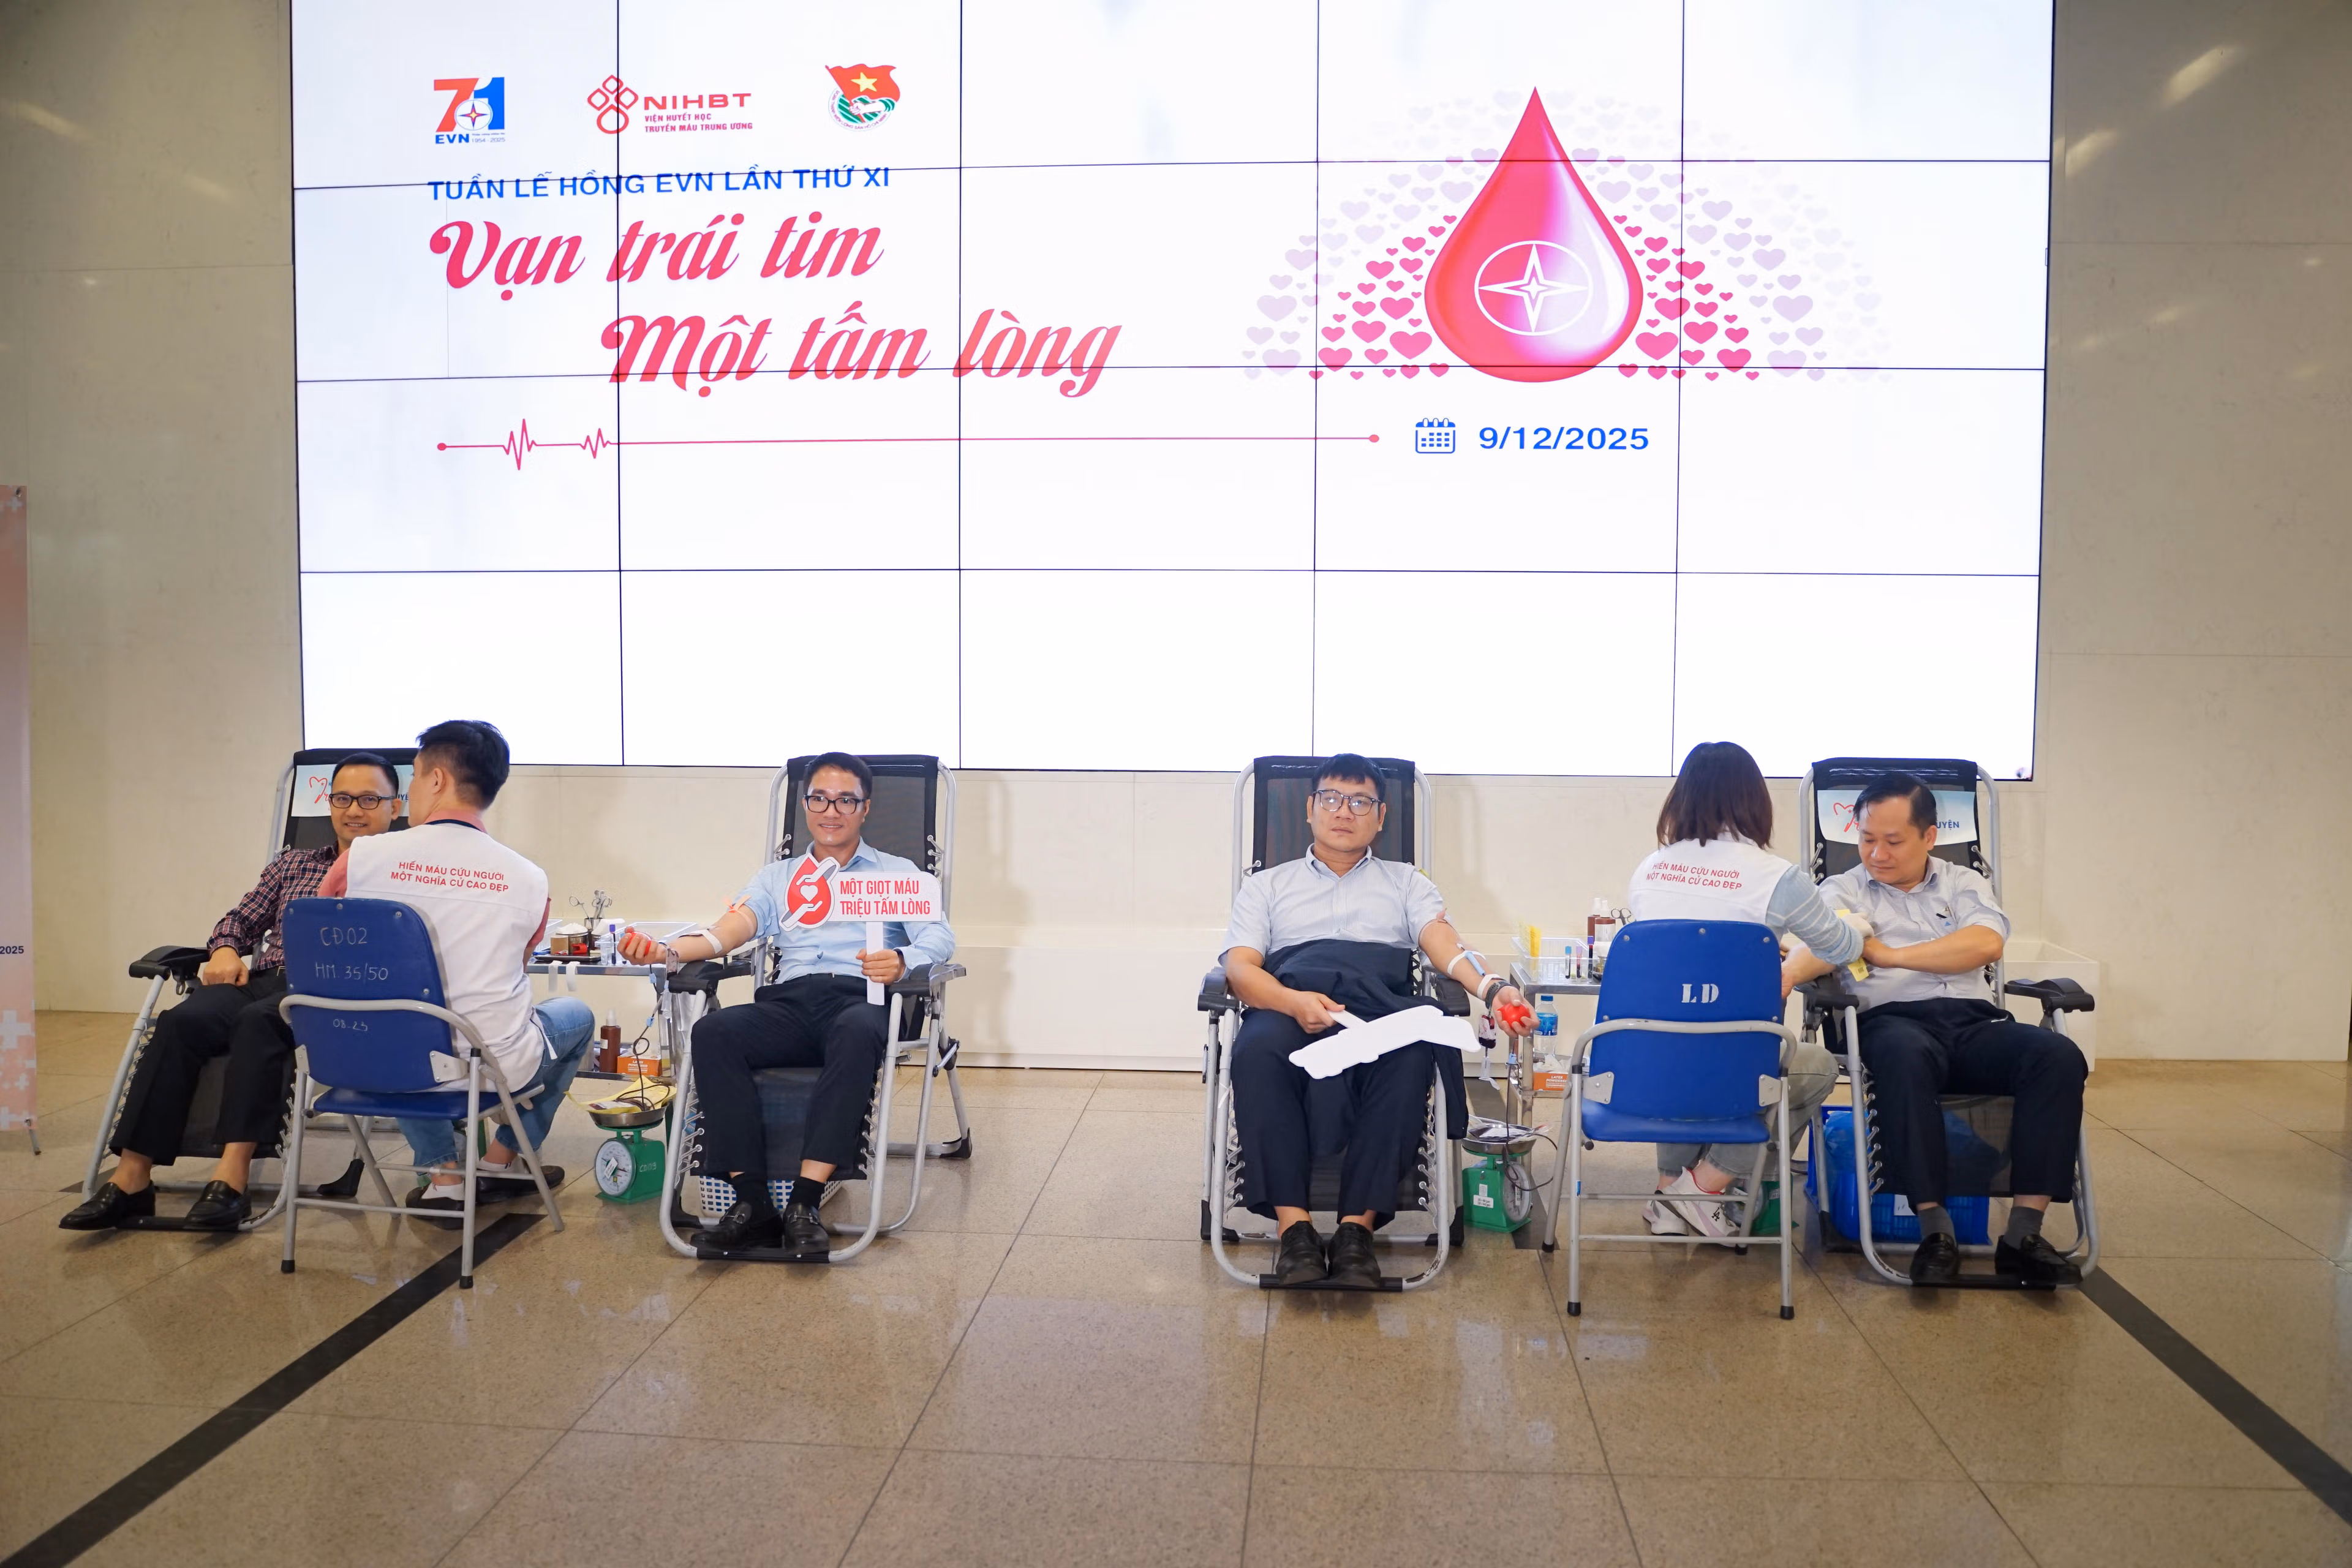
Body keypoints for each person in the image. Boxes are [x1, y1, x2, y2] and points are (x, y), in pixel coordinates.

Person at [616, 752, 954, 1262]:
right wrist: (666, 951)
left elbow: (939, 938)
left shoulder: (897, 873)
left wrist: (903, 959)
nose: (831, 810)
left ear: (866, 807)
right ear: (805, 805)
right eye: (820, 798)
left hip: (859, 999)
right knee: (714, 1032)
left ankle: (804, 1202)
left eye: (846, 800)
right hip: (790, 1003)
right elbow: (729, 930)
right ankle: (752, 1203)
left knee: (857, 1030)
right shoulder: (778, 878)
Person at [1221, 753, 1537, 1289]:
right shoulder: (1267, 886)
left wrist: (1491, 988)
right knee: (1256, 1051)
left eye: (1360, 801)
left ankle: (1356, 1232)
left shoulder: (1406, 882)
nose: (1344, 811)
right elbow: (1240, 969)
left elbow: (1444, 944)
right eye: (1331, 799)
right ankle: (1294, 1231)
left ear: (1381, 816)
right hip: (1293, 1000)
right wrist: (1293, 1003)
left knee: (1411, 1055)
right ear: (1310, 809)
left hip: (1379, 1005)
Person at [62, 754, 407, 1232]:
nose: (354, 810)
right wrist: (225, 949)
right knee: (181, 1022)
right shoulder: (294, 863)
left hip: (334, 991)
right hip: (264, 979)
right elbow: (241, 919)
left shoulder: (404, 873)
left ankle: (232, 1178)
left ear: (395, 806)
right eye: (343, 798)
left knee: (259, 1023)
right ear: (329, 804)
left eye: (369, 799)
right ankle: (132, 1178)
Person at [1789, 772, 2088, 1287]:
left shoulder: (1963, 882)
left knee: (2057, 1056)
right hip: (1890, 1021)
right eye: (1866, 839)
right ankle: (1935, 1231)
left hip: (1974, 1024)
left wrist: (1889, 954)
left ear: (1929, 836)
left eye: (1893, 841)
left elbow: (1984, 945)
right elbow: (1829, 944)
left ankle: (2023, 1236)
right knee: (1904, 1056)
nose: (1877, 853)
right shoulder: (1841, 889)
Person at [324, 719, 595, 1225]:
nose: (410, 790)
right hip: (492, 1065)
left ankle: (444, 1178)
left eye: (413, 776)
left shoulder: (360, 861)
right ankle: (501, 1160)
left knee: (397, 1024)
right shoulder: (530, 879)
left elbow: (328, 956)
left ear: (436, 779)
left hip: (377, 1061)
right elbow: (512, 970)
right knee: (575, 1016)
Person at [1623, 741, 1869, 1240]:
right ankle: (1702, 1187)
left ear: (1681, 798)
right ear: (1754, 800)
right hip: (1733, 1071)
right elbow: (1839, 946)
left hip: (1647, 1067)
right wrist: (1861, 926)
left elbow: (1679, 964)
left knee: (1681, 1040)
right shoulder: (1777, 878)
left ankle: (1668, 1193)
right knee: (1816, 1067)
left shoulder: (1650, 870)